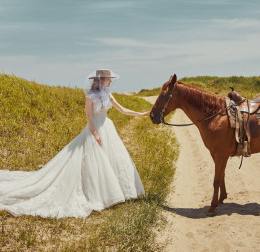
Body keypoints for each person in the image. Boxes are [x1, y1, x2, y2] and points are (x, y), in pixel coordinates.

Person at [0, 69, 149, 218]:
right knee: (94, 161)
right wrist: (95, 133)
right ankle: (99, 193)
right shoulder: (90, 96)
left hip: (107, 127)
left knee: (112, 159)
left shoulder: (108, 94)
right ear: (101, 79)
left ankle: (117, 190)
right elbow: (89, 116)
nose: (110, 81)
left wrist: (139, 114)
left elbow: (122, 109)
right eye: (108, 79)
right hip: (95, 128)